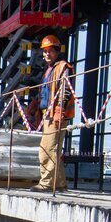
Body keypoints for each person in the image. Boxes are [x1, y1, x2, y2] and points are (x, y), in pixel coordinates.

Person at [36, 34, 75, 191]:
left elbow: (65, 92)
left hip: (56, 115)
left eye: (50, 51)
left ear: (57, 51)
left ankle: (46, 183)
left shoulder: (63, 68)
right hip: (48, 115)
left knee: (46, 150)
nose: (47, 54)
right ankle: (60, 184)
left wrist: (60, 112)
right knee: (54, 150)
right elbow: (45, 93)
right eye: (45, 51)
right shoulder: (48, 71)